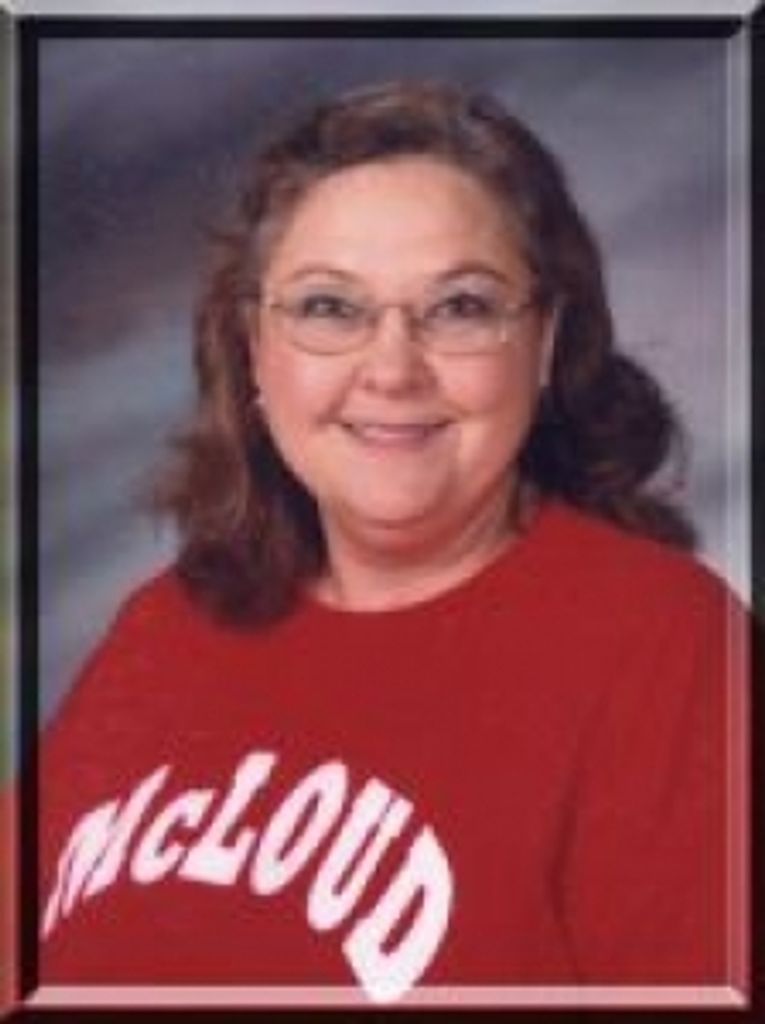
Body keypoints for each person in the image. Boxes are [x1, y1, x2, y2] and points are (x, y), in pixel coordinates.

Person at [38, 81, 746, 1005]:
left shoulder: (662, 643)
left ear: (542, 343)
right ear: (254, 349)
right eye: (329, 308)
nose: (391, 368)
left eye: (460, 307)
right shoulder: (167, 623)